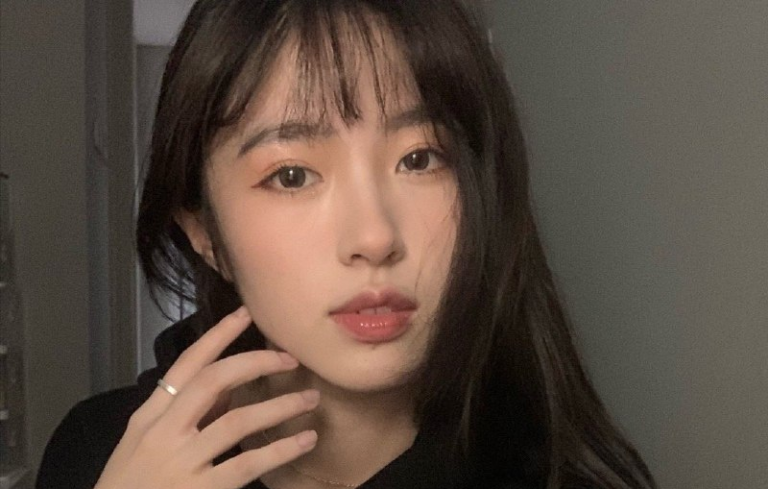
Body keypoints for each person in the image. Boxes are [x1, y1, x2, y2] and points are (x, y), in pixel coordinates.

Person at [37, 1, 658, 488]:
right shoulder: (103, 453)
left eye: (420, 159)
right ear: (205, 234)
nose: (374, 238)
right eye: (291, 175)